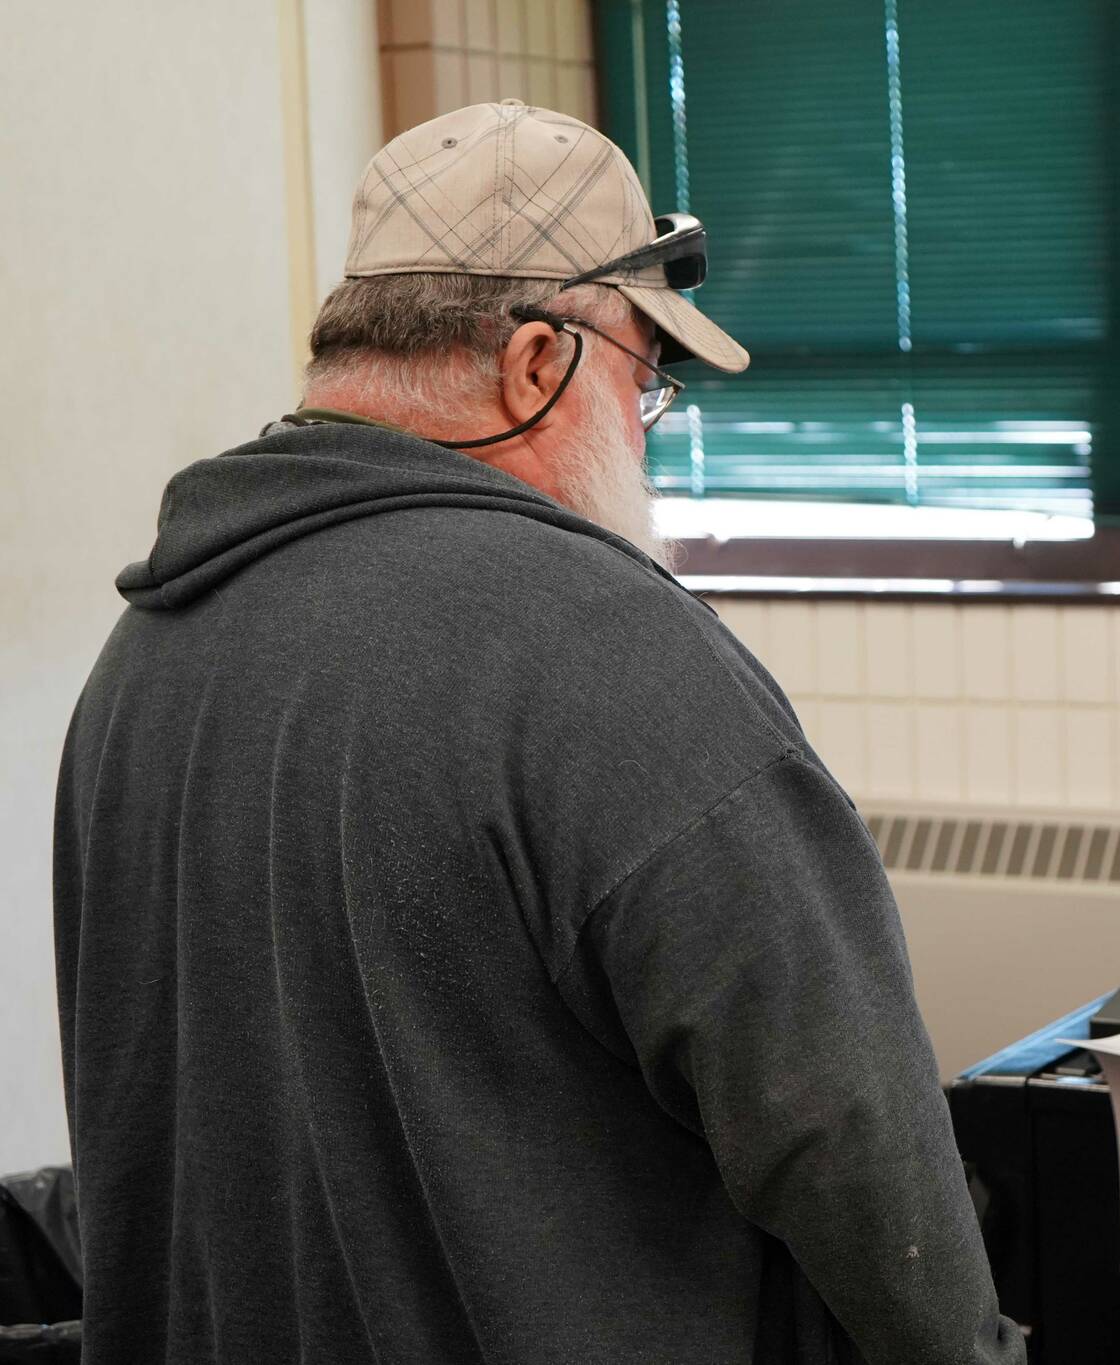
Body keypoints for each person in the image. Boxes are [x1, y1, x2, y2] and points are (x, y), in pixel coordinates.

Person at [52, 100, 1021, 1365]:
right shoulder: (612, 656)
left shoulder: (145, 656)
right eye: (644, 381)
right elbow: (844, 1140)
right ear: (535, 365)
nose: (644, 429)